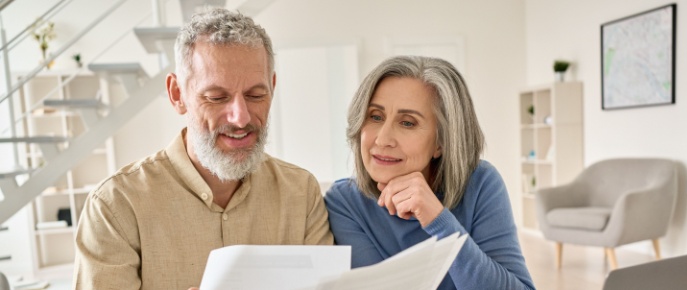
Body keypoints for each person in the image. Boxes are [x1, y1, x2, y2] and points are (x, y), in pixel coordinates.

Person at [73, 8, 333, 289]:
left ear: (272, 87)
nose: (241, 117)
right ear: (177, 94)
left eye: (255, 95)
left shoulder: (301, 193)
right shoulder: (116, 207)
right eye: (217, 97)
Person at [324, 56, 535, 290]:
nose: (382, 139)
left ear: (441, 141)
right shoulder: (344, 202)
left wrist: (439, 221)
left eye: (407, 123)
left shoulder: (480, 182)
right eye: (375, 117)